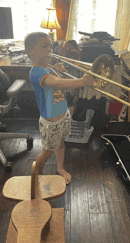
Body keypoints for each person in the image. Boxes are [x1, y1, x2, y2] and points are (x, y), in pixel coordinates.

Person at [25, 32, 95, 184]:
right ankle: (37, 178)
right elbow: (56, 83)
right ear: (30, 51)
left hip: (63, 115)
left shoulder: (50, 67)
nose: (49, 49)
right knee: (47, 152)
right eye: (44, 46)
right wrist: (82, 82)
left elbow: (62, 84)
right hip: (51, 122)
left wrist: (59, 69)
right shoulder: (36, 72)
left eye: (50, 46)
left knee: (61, 143)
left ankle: (60, 168)